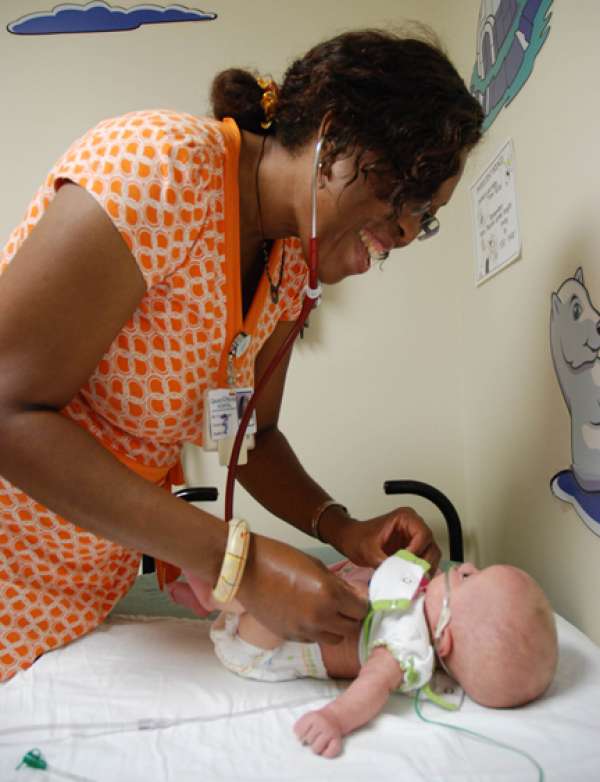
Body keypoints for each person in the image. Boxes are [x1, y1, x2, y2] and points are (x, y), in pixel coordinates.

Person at [0, 28, 483, 682]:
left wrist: (341, 527)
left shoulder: (289, 267)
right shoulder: (159, 169)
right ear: (336, 137)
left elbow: (256, 434)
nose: (404, 232)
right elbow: (9, 410)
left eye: (425, 217)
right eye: (412, 195)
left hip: (77, 597)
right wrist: (246, 564)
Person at [170, 552, 558, 758]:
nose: (468, 566)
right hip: (285, 630)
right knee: (291, 574)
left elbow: (371, 687)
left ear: (445, 642)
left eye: (470, 578)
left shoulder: (407, 648)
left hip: (265, 650)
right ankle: (212, 602)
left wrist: (335, 719)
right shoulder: (423, 604)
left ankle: (212, 597)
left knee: (266, 589)